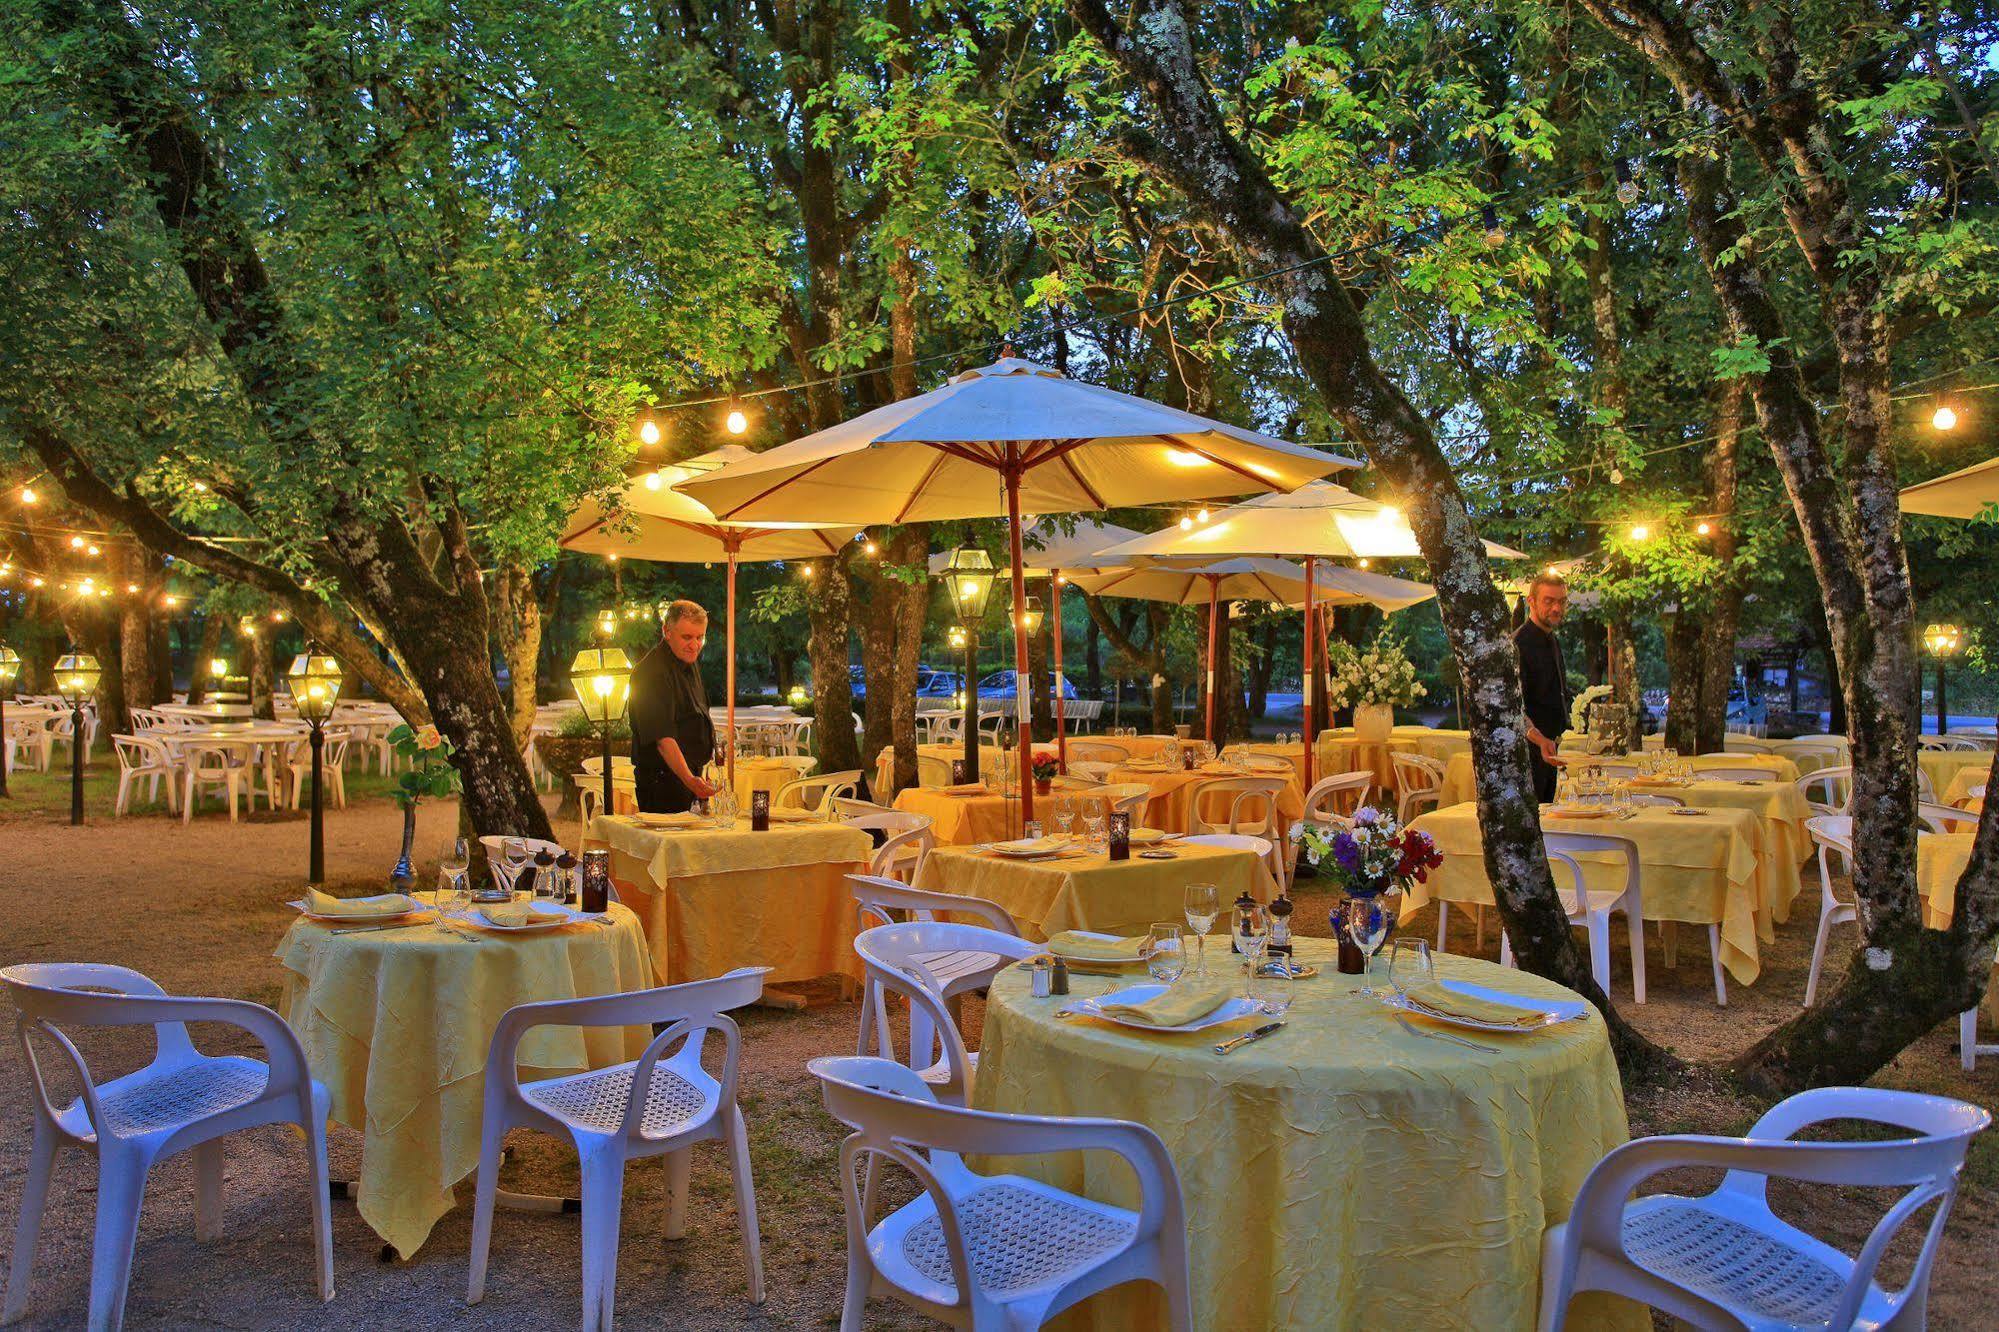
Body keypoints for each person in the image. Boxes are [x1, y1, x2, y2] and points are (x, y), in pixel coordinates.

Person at [629, 600, 719, 813]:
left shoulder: (689, 662)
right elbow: (663, 739)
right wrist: (689, 779)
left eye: (700, 637)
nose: (695, 645)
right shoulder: (650, 672)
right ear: (666, 632)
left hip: (690, 778)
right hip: (662, 783)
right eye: (687, 637)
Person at [1515, 572, 1571, 803]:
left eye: (1562, 601)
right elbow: (1514, 706)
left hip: (1550, 750)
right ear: (1531, 602)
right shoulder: (1519, 644)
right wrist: (1539, 740)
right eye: (1549, 601)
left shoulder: (1552, 640)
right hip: (1527, 753)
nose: (1557, 608)